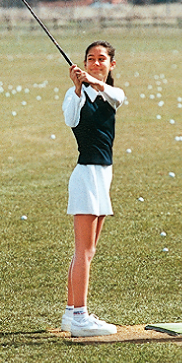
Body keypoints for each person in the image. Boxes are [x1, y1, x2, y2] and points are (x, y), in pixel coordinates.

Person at [61, 41, 126, 337]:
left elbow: (116, 96)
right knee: (83, 251)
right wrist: (78, 89)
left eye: (102, 59)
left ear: (111, 64)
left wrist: (93, 83)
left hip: (103, 176)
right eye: (90, 59)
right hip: (86, 175)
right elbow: (70, 119)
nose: (95, 63)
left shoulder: (112, 94)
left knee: (89, 250)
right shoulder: (76, 94)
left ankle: (71, 312)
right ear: (84, 63)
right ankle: (80, 316)